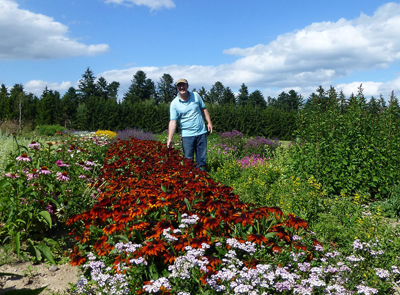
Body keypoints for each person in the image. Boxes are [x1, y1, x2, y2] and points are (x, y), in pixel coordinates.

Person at [167, 78, 213, 171]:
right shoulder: (174, 104)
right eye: (179, 86)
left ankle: (203, 180)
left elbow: (203, 108)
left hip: (201, 133)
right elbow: (173, 122)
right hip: (187, 136)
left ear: (187, 86)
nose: (181, 87)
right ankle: (191, 181)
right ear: (177, 88)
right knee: (188, 160)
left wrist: (209, 122)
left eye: (183, 85)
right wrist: (170, 139)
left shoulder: (196, 96)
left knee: (202, 160)